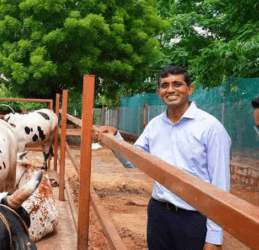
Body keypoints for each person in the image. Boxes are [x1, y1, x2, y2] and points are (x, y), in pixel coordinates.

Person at [98, 65, 231, 250]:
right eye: (165, 85)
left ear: (190, 89)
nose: (170, 90)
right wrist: (115, 139)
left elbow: (220, 187)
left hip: (193, 218)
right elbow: (133, 160)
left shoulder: (211, 128)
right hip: (158, 214)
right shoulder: (155, 126)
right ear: (159, 91)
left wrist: (214, 238)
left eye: (177, 84)